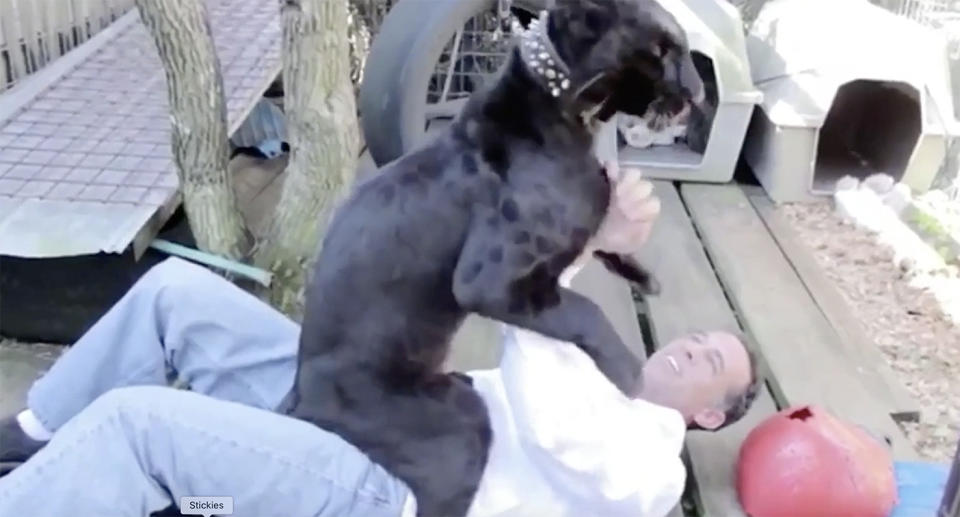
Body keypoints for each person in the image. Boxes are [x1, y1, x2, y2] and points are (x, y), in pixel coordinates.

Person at [0, 166, 761, 517]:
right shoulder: (603, 378)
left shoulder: (647, 470)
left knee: (140, 428)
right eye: (698, 336)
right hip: (372, 407)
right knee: (178, 295)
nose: (693, 347)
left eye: (712, 361)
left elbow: (554, 418)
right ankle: (31, 437)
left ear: (711, 416)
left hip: (382, 489)